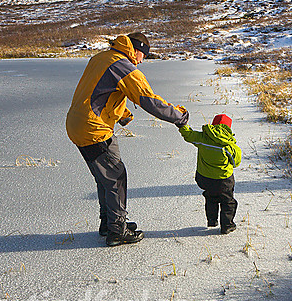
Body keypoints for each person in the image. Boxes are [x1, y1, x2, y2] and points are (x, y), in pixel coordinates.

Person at [66, 32, 189, 246]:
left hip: (77, 124)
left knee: (104, 178)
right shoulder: (125, 67)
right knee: (116, 177)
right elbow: (149, 100)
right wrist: (179, 116)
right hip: (93, 128)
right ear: (137, 51)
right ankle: (117, 231)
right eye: (144, 56)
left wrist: (122, 114)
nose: (142, 61)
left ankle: (110, 222)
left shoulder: (102, 58)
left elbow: (99, 90)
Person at [178, 113, 241, 234]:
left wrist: (182, 124)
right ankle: (227, 225)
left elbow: (189, 135)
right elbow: (235, 162)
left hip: (204, 178)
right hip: (223, 180)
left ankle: (212, 220)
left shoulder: (203, 138)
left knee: (211, 197)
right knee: (228, 201)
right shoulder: (229, 146)